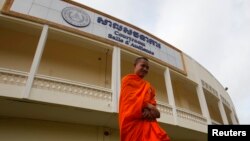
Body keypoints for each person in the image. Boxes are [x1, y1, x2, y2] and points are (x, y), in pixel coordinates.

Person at [119, 57, 170, 141]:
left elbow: (156, 113)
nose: (145, 69)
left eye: (147, 67)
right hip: (131, 123)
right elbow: (129, 101)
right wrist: (148, 106)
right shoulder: (127, 80)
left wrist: (151, 109)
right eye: (142, 66)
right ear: (135, 66)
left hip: (148, 122)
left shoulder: (149, 88)